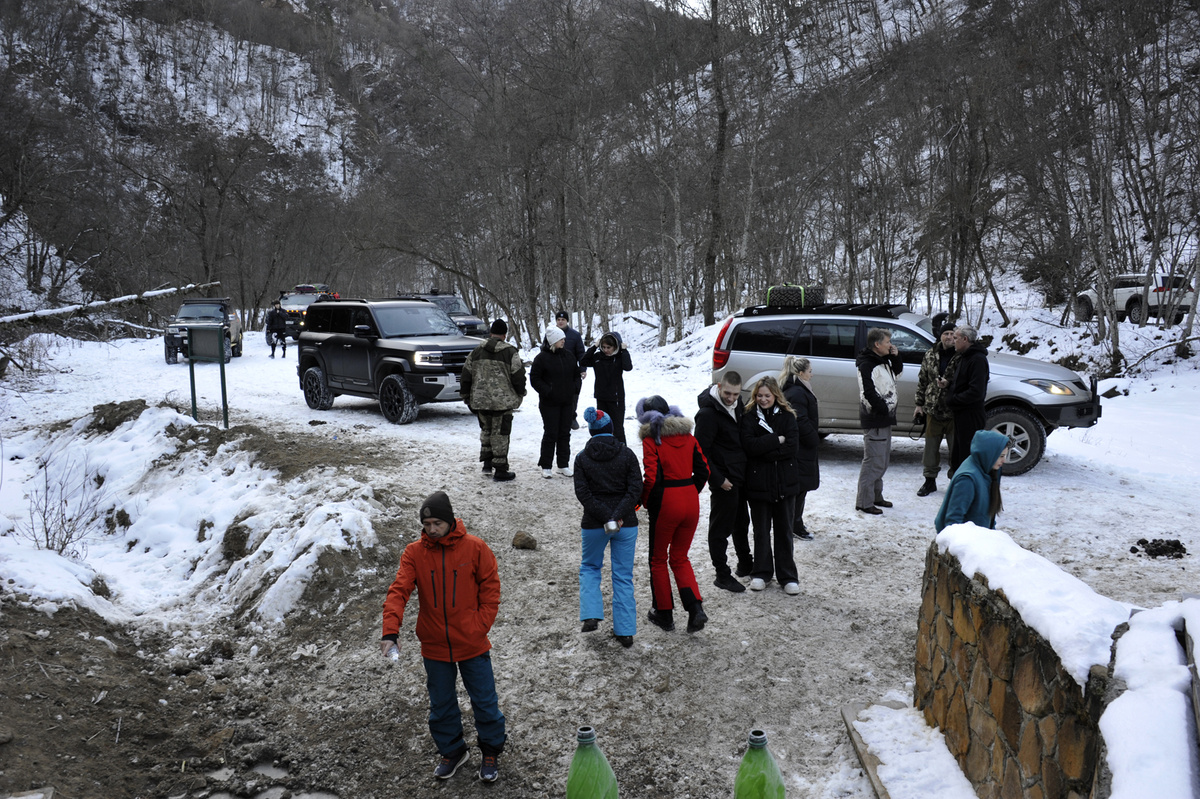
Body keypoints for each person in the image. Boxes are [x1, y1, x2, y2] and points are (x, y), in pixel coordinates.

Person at [380, 491, 505, 783]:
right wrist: (390, 631)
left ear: (449, 521)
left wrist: (480, 625)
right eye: (427, 524)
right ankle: (452, 751)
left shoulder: (475, 548)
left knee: (485, 701)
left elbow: (491, 588)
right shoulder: (414, 552)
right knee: (441, 704)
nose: (432, 529)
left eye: (437, 522)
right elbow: (399, 591)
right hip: (434, 645)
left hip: (472, 642)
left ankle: (490, 751)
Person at [637, 395, 711, 633]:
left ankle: (664, 613)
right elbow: (704, 469)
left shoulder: (652, 439)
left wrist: (647, 503)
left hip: (667, 502)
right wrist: (690, 490)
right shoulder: (688, 436)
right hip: (690, 499)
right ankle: (695, 608)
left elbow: (651, 478)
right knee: (680, 557)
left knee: (658, 559)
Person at [573, 407, 643, 648]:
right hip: (626, 524)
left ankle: (591, 614)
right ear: (611, 429)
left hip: (594, 524)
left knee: (590, 567)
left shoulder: (582, 458)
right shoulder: (627, 454)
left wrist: (605, 517)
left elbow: (583, 494)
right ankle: (625, 632)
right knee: (623, 576)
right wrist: (617, 516)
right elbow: (635, 489)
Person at [739, 376, 801, 594]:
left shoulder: (787, 416)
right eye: (759, 396)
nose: (763, 399)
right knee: (761, 531)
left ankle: (787, 575)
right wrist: (776, 440)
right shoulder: (749, 417)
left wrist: (765, 450)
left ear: (776, 395)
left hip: (785, 482)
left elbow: (792, 448)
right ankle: (761, 572)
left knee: (784, 530)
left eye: (767, 395)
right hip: (758, 483)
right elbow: (749, 446)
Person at [694, 372, 753, 593]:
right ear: (719, 387)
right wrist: (718, 480)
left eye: (735, 394)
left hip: (740, 475)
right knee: (720, 529)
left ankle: (745, 564)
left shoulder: (738, 405)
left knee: (741, 523)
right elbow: (700, 452)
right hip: (724, 480)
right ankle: (722, 574)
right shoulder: (708, 414)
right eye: (727, 393)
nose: (730, 398)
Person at [460, 319, 527, 483]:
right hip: (502, 401)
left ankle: (487, 464)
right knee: (501, 434)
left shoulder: (476, 351)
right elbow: (518, 376)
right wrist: (520, 394)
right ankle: (501, 469)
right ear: (505, 335)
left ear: (491, 333)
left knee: (486, 431)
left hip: (480, 400)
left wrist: (466, 396)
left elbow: (466, 375)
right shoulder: (510, 352)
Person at [855, 328, 903, 514]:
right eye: (887, 342)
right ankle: (864, 502)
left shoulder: (882, 361)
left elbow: (897, 373)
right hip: (875, 418)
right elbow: (868, 392)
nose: (890, 345)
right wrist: (882, 408)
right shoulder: (867, 364)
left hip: (884, 418)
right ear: (877, 344)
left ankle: (876, 495)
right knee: (873, 461)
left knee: (882, 460)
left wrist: (896, 356)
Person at [913, 324, 960, 496]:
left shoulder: (961, 355)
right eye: (946, 333)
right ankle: (929, 481)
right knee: (930, 449)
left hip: (954, 411)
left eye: (952, 334)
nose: (949, 337)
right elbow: (922, 380)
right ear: (940, 336)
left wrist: (949, 384)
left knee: (956, 451)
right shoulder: (930, 354)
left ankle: (956, 483)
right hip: (933, 409)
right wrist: (919, 404)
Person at [530, 326, 582, 478]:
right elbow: (535, 379)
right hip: (549, 403)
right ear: (553, 341)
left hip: (567, 402)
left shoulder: (569, 356)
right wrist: (548, 391)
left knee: (565, 433)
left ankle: (563, 464)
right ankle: (546, 465)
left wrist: (575, 389)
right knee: (551, 433)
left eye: (564, 339)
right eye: (561, 339)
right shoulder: (541, 358)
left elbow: (576, 374)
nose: (564, 341)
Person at [934, 430, 1009, 533]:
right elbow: (953, 521)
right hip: (966, 543)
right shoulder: (967, 480)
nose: (1004, 460)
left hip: (980, 538)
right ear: (988, 454)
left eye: (1005, 455)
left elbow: (989, 515)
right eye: (1001, 456)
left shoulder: (989, 468)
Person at [779, 356, 820, 540]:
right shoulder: (797, 393)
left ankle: (794, 523)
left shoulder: (798, 390)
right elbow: (800, 420)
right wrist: (813, 439)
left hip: (802, 448)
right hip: (801, 449)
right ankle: (794, 525)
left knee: (800, 489)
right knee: (798, 489)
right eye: (810, 371)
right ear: (801, 373)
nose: (812, 374)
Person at [941, 324, 990, 477]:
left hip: (971, 415)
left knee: (967, 455)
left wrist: (954, 399)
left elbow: (976, 391)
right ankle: (958, 484)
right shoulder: (965, 356)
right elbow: (964, 383)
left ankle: (968, 488)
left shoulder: (977, 360)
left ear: (965, 339)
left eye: (955, 338)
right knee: (958, 454)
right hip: (961, 414)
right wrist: (949, 385)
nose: (952, 341)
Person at [579, 332, 633, 443]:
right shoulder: (597, 357)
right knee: (601, 427)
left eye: (609, 347)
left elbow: (628, 367)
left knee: (617, 429)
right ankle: (603, 453)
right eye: (603, 347)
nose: (606, 350)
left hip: (616, 399)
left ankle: (623, 455)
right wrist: (594, 347)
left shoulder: (619, 357)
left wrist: (624, 350)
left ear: (615, 346)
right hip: (601, 397)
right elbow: (583, 361)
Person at [555, 310, 587, 429]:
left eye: (563, 319)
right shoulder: (551, 334)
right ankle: (559, 418)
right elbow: (544, 351)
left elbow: (581, 353)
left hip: (572, 372)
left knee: (573, 395)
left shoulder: (575, 335)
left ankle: (572, 417)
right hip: (556, 371)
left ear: (567, 321)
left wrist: (583, 368)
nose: (560, 321)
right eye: (558, 319)